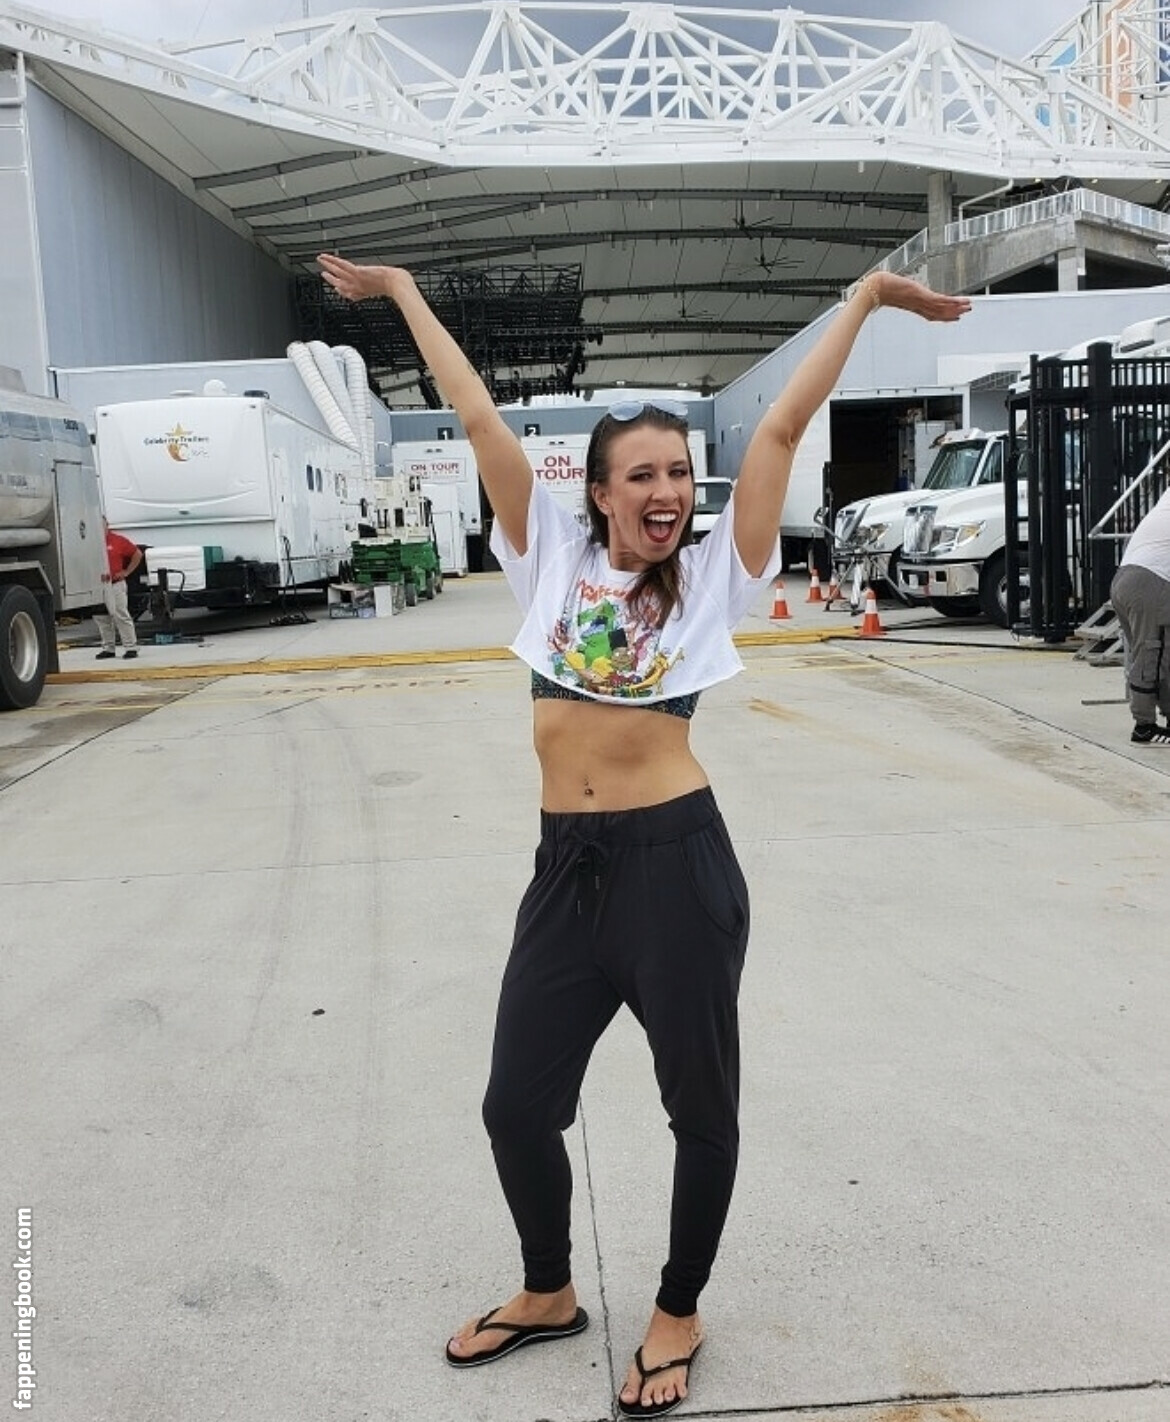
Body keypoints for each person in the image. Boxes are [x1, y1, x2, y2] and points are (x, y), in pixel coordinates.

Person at [318, 251, 969, 1418]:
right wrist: (406, 294)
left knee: (699, 1112)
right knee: (516, 1105)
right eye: (644, 475)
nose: (668, 490)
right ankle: (548, 1290)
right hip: (564, 873)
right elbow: (477, 415)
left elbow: (780, 430)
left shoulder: (716, 578)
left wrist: (865, 302)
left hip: (677, 868)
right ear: (600, 492)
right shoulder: (548, 562)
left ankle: (678, 1307)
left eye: (679, 471)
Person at [1110, 486, 1170, 744]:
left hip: (1126, 577)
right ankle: (1144, 725)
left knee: (1157, 653)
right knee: (1151, 655)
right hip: (1150, 582)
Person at [95, 517, 142, 660]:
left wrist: (126, 572)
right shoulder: (89, 543)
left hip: (115, 584)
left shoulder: (118, 540)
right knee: (101, 618)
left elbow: (137, 554)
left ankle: (131, 647)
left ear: (107, 525)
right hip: (97, 585)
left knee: (120, 615)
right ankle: (108, 648)